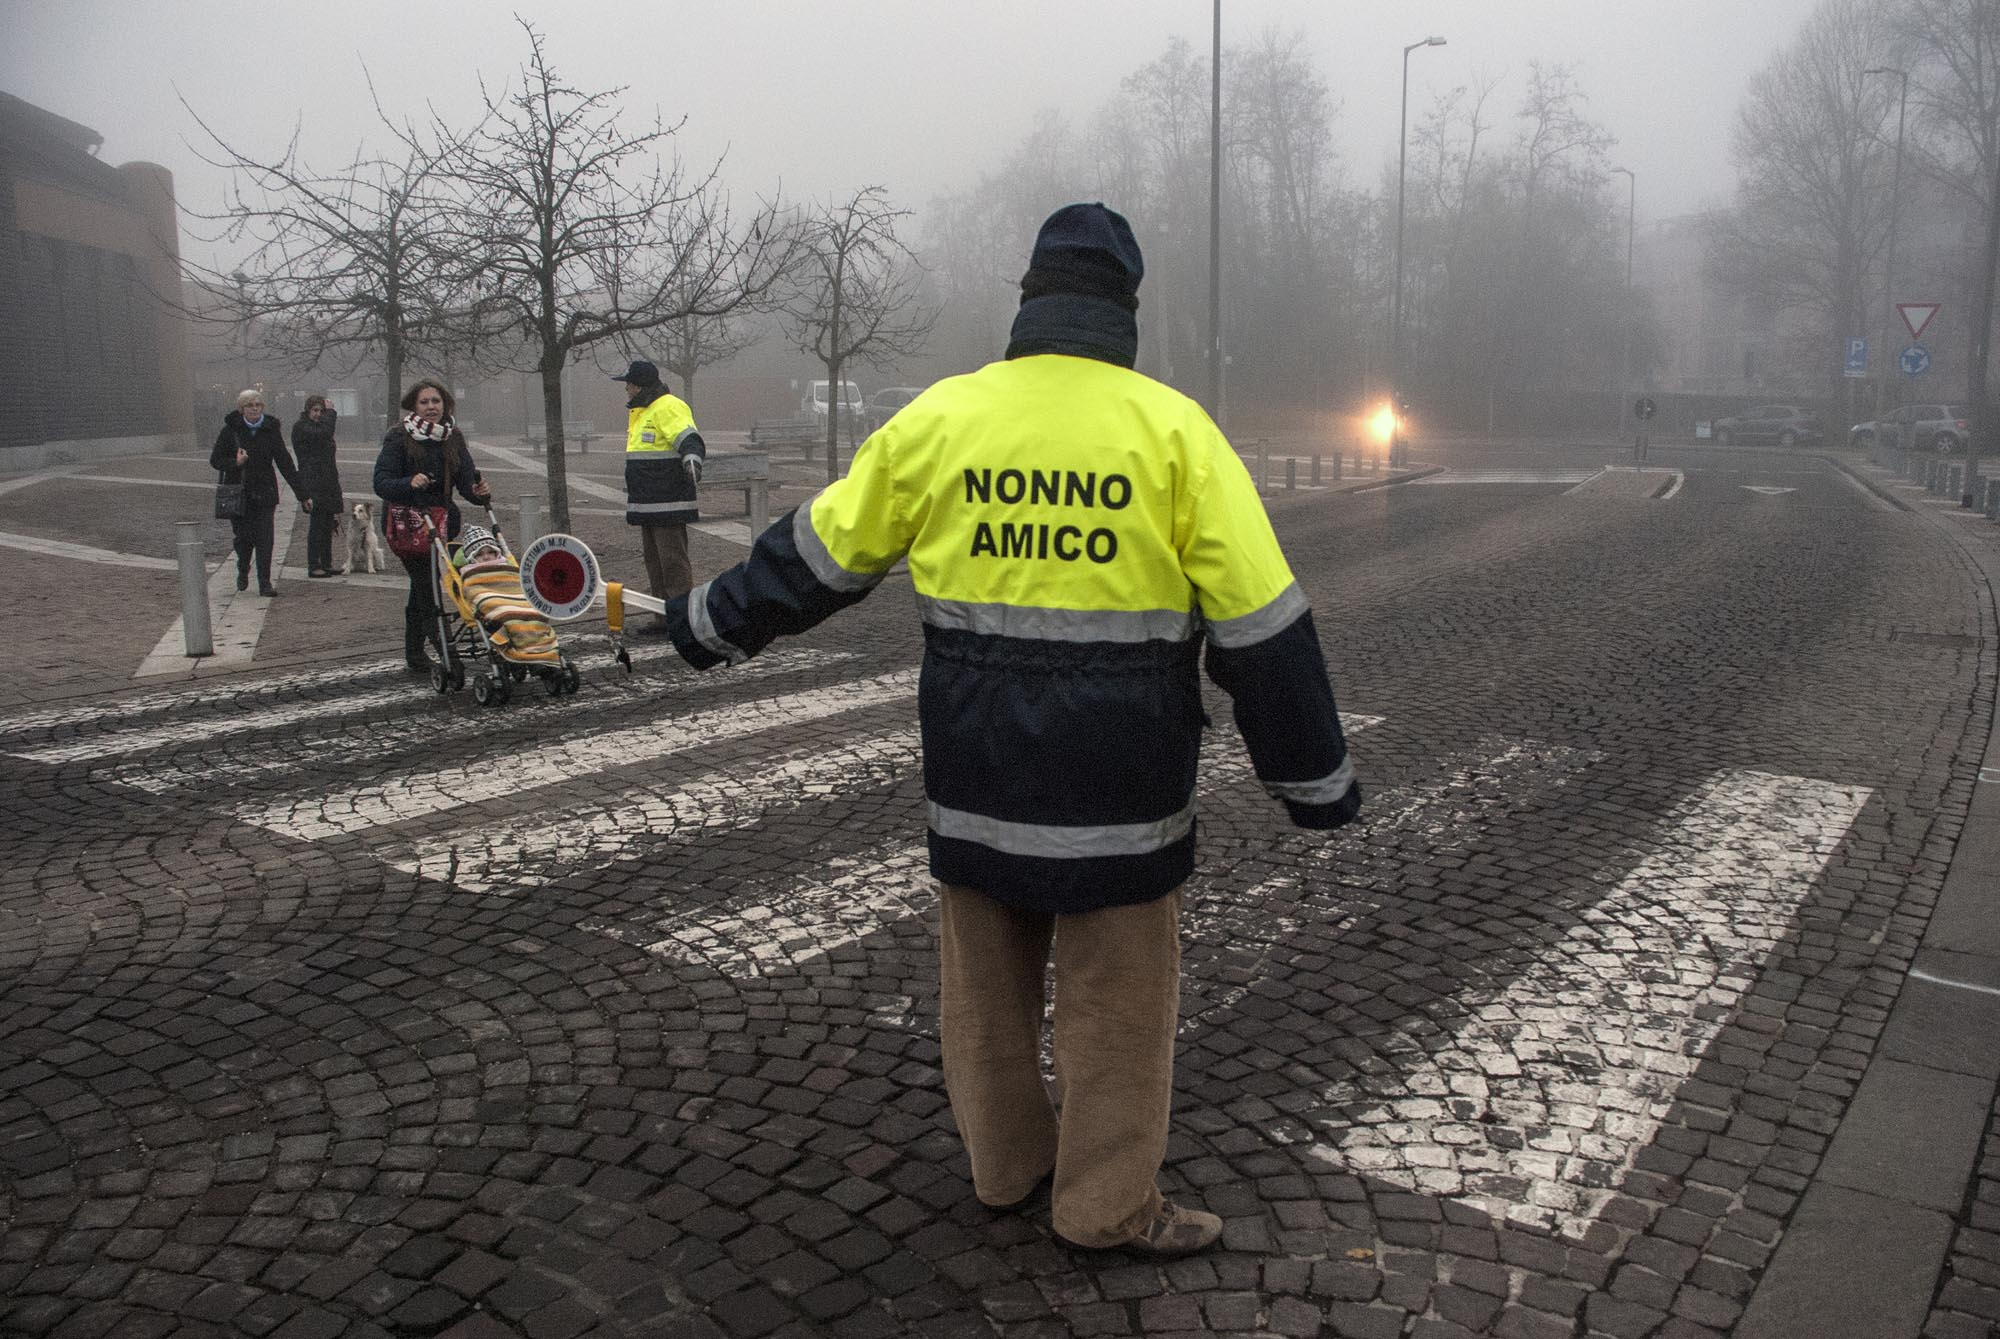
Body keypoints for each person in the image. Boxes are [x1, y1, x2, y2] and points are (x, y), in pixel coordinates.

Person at [659, 204, 1361, 1257]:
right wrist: (1314, 781)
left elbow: (816, 556)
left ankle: (1004, 1168)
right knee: (1115, 1006)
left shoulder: (944, 419)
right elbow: (1260, 631)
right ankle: (1102, 1203)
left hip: (975, 767)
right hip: (1120, 789)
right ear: (1122, 308)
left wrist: (706, 622)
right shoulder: (1172, 432)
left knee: (983, 996)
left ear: (1028, 299)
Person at [373, 379, 492, 671]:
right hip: (409, 524)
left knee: (422, 588)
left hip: (441, 523)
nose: (430, 407)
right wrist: (408, 482)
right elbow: (381, 482)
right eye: (424, 402)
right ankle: (446, 650)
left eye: (435, 402)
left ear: (445, 404)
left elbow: (465, 481)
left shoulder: (453, 437)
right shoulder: (399, 437)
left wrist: (479, 494)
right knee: (428, 588)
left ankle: (414, 654)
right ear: (414, 406)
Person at [614, 359, 705, 635]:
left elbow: (689, 438)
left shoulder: (668, 406)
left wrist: (693, 460)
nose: (626, 389)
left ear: (639, 385)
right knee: (654, 562)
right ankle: (662, 617)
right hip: (649, 503)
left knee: (672, 563)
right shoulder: (642, 411)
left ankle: (681, 619)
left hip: (669, 501)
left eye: (628, 384)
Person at [210, 388, 308, 596]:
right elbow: (215, 460)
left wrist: (302, 494)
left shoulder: (270, 429)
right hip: (239, 493)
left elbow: (285, 463)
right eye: (249, 405)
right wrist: (235, 462)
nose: (254, 409)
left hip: (265, 492)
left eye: (258, 405)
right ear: (241, 409)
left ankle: (265, 581)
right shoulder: (230, 430)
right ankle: (243, 568)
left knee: (265, 538)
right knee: (243, 539)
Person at [293, 395, 344, 577]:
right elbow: (323, 433)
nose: (319, 415)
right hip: (312, 481)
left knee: (328, 523)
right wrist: (331, 413)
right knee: (317, 524)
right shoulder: (302, 427)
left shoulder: (320, 427)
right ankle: (314, 564)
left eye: (321, 411)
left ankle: (326, 562)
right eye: (315, 411)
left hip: (327, 480)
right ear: (308, 411)